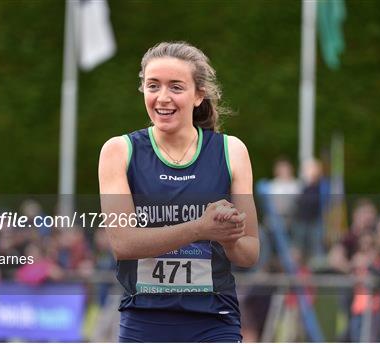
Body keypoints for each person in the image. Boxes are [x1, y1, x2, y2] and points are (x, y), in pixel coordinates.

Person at [98, 41, 259, 342]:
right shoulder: (119, 151)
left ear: (199, 95)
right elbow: (123, 243)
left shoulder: (231, 151)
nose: (163, 98)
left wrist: (228, 237)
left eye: (176, 87)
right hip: (144, 321)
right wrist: (201, 228)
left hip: (214, 321)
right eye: (153, 86)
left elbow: (249, 254)